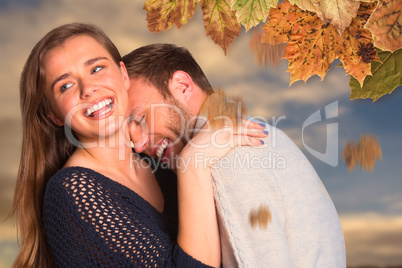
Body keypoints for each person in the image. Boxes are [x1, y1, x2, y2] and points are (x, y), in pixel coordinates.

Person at [10, 23, 267, 268]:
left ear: (123, 75)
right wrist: (194, 164)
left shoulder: (160, 163)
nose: (88, 88)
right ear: (53, 115)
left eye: (96, 69)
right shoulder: (73, 191)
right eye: (65, 85)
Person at [122, 44, 347, 267]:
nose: (138, 145)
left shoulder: (227, 162)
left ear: (182, 86)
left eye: (140, 117)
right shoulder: (265, 138)